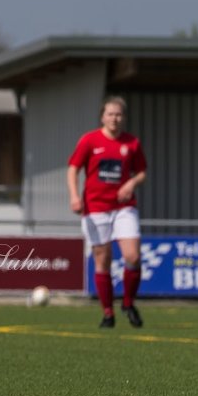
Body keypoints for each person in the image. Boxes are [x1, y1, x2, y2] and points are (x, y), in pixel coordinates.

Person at [67, 96, 148, 329]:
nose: (115, 118)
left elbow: (142, 171)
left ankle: (128, 303)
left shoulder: (132, 143)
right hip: (96, 208)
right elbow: (73, 169)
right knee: (103, 260)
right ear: (103, 116)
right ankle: (107, 312)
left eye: (119, 114)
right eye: (110, 114)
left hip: (124, 207)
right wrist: (74, 196)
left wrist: (131, 183)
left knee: (132, 256)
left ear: (124, 117)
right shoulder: (89, 141)